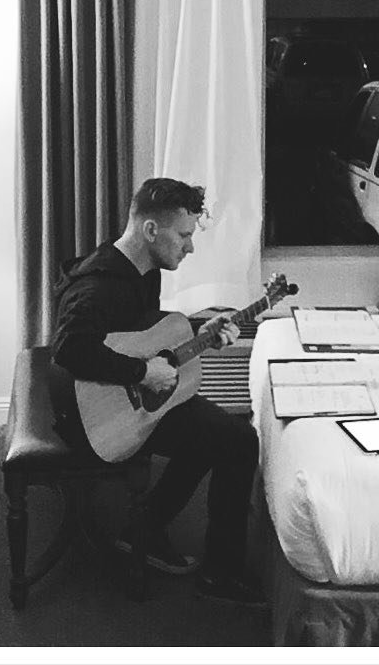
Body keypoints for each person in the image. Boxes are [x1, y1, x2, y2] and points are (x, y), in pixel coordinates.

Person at [50, 177, 263, 605]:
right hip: (95, 416)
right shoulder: (101, 284)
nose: (190, 247)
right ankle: (219, 575)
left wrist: (198, 335)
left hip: (118, 394)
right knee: (239, 440)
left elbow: (139, 331)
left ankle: (145, 528)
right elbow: (70, 347)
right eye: (183, 235)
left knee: (216, 432)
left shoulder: (139, 271)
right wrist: (140, 372)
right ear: (150, 230)